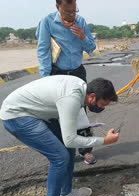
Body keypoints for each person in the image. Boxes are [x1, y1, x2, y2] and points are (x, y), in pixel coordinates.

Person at [0, 76, 120, 196]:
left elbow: (70, 136)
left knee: (68, 151)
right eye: (102, 104)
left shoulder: (81, 90)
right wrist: (104, 140)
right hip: (17, 115)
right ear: (92, 96)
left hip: (38, 111)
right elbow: (70, 139)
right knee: (59, 157)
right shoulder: (71, 99)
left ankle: (66, 194)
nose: (102, 108)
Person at [36, 0, 97, 165]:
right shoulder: (47, 22)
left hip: (77, 72)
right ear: (58, 8)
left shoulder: (81, 22)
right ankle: (62, 152)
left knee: (80, 112)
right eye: (67, 12)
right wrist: (46, 77)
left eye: (74, 11)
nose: (72, 15)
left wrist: (83, 37)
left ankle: (86, 150)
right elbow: (43, 50)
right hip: (58, 73)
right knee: (58, 113)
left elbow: (91, 48)